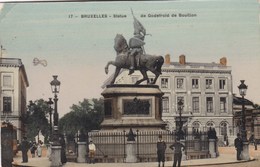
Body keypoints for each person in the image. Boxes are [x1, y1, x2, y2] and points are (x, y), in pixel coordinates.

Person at [128, 9, 146, 75]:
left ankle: (132, 67)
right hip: (133, 48)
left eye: (136, 30)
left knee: (132, 54)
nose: (134, 30)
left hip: (138, 49)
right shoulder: (134, 36)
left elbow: (140, 43)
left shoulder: (140, 36)